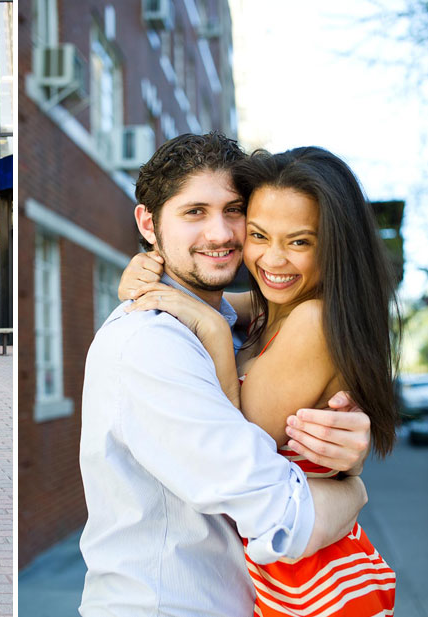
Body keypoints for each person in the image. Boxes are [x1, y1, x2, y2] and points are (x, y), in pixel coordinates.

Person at [79, 133, 374, 617]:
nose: (221, 234)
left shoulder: (237, 322)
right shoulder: (152, 343)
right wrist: (353, 487)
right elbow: (285, 519)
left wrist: (348, 457)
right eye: (194, 212)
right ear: (149, 224)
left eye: (234, 211)